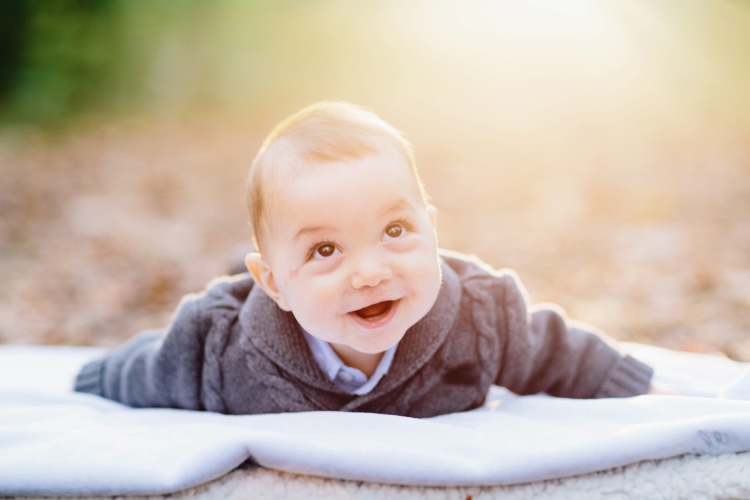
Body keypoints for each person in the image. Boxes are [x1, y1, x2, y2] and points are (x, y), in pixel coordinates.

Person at [75, 101, 654, 417]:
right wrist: (93, 377)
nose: (371, 271)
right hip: (258, 310)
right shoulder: (220, 352)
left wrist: (640, 389)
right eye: (326, 249)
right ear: (272, 281)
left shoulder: (481, 318)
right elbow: (150, 369)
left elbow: (556, 352)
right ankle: (249, 270)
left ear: (432, 229)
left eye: (395, 230)